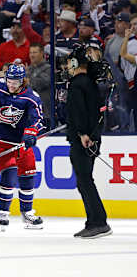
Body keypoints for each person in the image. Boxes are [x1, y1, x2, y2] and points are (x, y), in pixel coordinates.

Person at [0, 64, 45, 230]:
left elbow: (37, 119)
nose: (11, 85)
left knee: (28, 175)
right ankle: (3, 213)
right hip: (1, 141)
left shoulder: (31, 97)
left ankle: (27, 213)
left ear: (23, 80)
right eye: (9, 81)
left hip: (21, 143)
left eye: (16, 82)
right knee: (9, 174)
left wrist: (31, 132)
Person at [65, 45, 112, 239]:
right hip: (91, 138)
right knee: (84, 181)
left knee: (84, 181)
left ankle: (98, 222)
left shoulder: (77, 83)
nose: (67, 66)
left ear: (75, 63)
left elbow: (78, 112)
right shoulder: (90, 83)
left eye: (68, 62)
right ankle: (95, 220)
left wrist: (83, 134)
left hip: (83, 140)